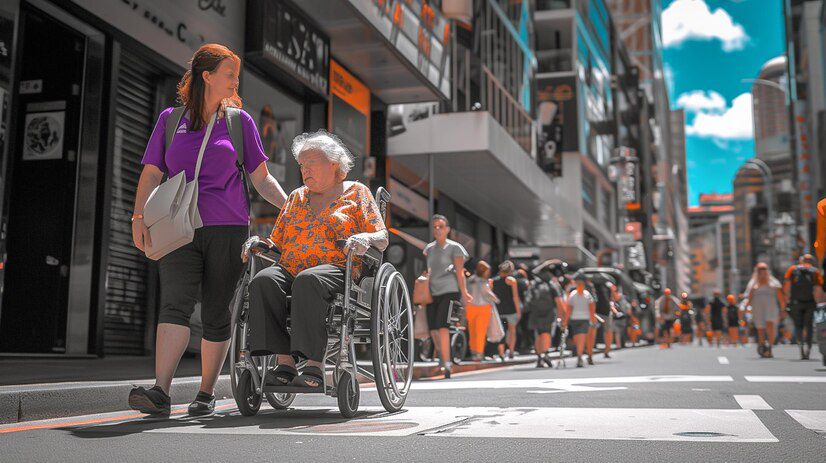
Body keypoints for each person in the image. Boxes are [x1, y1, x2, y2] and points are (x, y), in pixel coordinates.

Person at [129, 44, 288, 416]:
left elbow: (261, 179)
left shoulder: (239, 122)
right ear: (207, 76)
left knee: (217, 311)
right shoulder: (170, 119)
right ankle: (160, 392)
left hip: (228, 227)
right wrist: (138, 218)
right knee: (174, 303)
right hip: (176, 227)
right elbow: (152, 172)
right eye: (230, 74)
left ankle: (205, 393)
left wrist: (294, 207)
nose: (236, 81)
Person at [244, 130, 387, 389]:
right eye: (301, 166)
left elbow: (382, 236)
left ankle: (314, 364)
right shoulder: (296, 198)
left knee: (307, 280)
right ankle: (284, 362)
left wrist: (365, 238)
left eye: (311, 164)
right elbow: (277, 242)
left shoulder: (356, 192)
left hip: (338, 268)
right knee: (263, 281)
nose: (304, 171)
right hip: (291, 266)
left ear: (334, 164)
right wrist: (258, 243)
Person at [424, 215, 471, 378]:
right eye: (435, 226)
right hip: (432, 292)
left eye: (441, 226)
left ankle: (447, 363)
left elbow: (460, 272)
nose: (438, 229)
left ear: (447, 229)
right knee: (433, 329)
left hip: (450, 290)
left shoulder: (455, 248)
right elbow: (429, 271)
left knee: (442, 327)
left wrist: (464, 293)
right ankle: (441, 360)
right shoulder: (429, 248)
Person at [784, 254, 824, 360]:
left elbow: (787, 286)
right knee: (809, 325)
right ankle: (808, 349)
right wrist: (819, 302)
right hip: (810, 302)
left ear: (801, 261)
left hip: (795, 302)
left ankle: (801, 347)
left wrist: (787, 301)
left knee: (798, 326)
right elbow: (818, 289)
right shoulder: (814, 271)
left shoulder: (792, 269)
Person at [526, 263, 566, 368]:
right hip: (548, 313)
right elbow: (559, 303)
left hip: (535, 312)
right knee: (546, 333)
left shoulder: (533, 285)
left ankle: (539, 357)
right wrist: (563, 317)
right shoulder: (552, 285)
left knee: (538, 334)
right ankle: (545, 353)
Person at [746, 262, 785, 358]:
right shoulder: (753, 282)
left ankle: (770, 347)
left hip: (770, 306)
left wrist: (783, 309)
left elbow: (780, 295)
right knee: (760, 327)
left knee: (770, 324)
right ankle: (762, 345)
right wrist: (747, 308)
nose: (762, 272)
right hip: (758, 307)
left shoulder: (773, 281)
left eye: (764, 269)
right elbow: (749, 296)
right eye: (760, 270)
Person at [465, 261, 498, 362]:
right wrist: (496, 298)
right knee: (481, 332)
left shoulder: (469, 280)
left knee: (472, 331)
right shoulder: (484, 282)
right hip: (483, 308)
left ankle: (473, 352)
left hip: (470, 307)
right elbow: (488, 294)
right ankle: (479, 353)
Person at [563, 274, 596, 368]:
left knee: (581, 338)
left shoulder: (587, 295)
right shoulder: (573, 295)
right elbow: (569, 310)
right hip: (575, 320)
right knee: (577, 339)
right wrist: (565, 321)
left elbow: (592, 309)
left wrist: (592, 319)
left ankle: (580, 356)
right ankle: (580, 354)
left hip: (584, 319)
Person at [491, 261, 522, 360]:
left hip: (499, 310)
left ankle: (501, 352)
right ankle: (511, 351)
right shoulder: (511, 280)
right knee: (512, 331)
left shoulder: (492, 281)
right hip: (511, 310)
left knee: (501, 331)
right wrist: (518, 310)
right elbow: (515, 297)